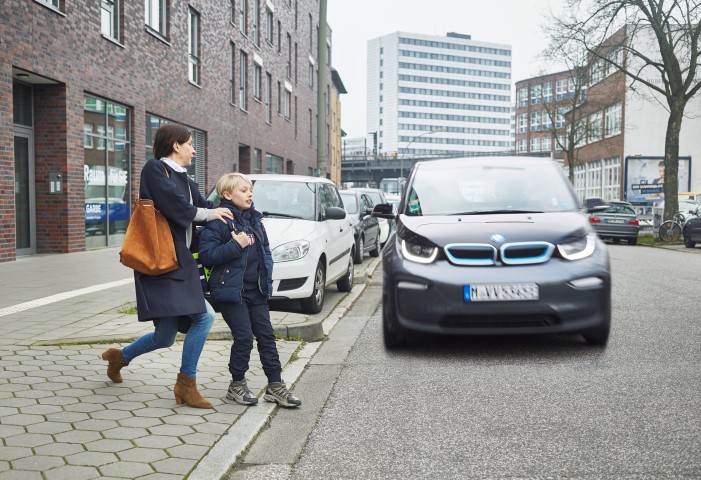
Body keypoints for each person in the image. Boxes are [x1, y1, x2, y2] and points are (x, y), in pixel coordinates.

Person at [101, 124, 233, 409]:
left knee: (165, 337)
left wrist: (233, 205)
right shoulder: (154, 170)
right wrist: (209, 213)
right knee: (204, 317)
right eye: (189, 144)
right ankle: (186, 385)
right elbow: (177, 208)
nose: (193, 150)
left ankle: (118, 358)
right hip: (161, 261)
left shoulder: (188, 181)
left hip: (179, 262)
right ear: (175, 145)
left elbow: (206, 211)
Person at [198, 173, 302, 408]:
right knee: (244, 338)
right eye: (243, 190)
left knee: (266, 337)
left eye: (250, 190)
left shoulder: (254, 219)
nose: (249, 194)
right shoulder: (219, 221)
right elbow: (206, 256)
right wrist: (236, 245)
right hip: (231, 292)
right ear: (227, 194)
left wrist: (266, 279)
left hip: (256, 291)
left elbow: (265, 252)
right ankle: (237, 385)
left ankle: (275, 386)